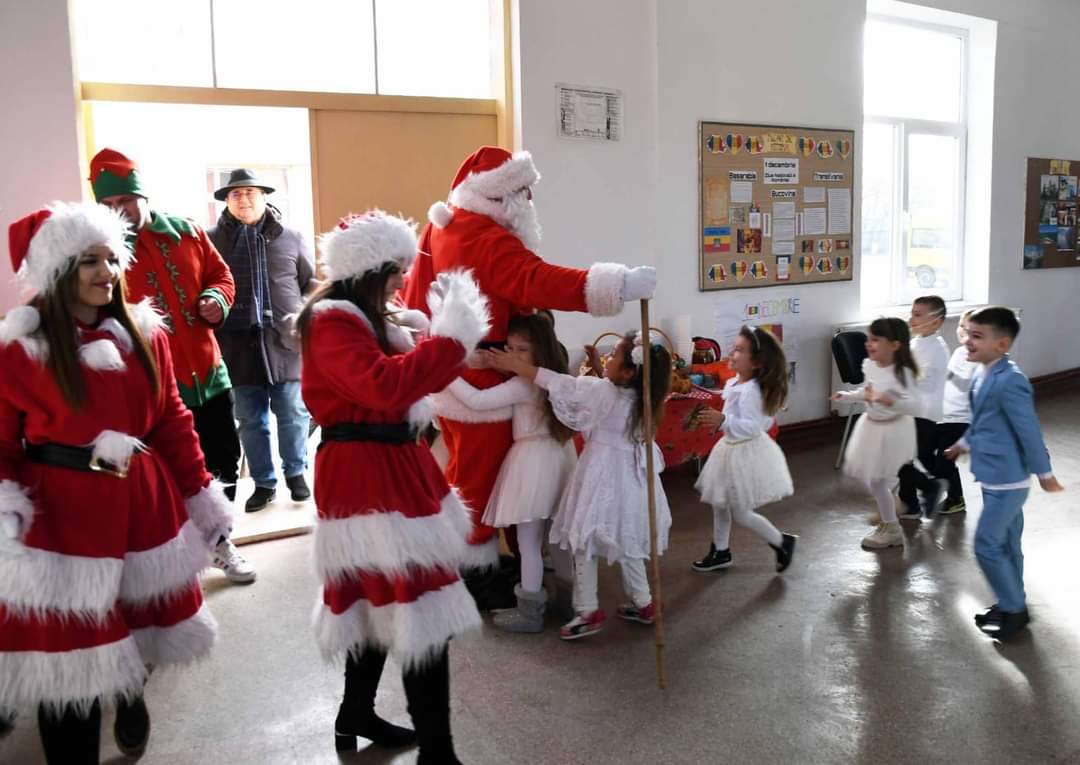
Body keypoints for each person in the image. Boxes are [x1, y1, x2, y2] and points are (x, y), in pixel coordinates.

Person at [0, 202, 233, 763]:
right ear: (58, 270)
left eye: (111, 258)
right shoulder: (19, 350)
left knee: (138, 624)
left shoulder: (147, 335)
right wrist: (7, 509)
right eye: (90, 261)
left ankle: (130, 694)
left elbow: (172, 419)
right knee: (67, 670)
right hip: (61, 522)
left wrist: (201, 494)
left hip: (142, 507)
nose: (107, 272)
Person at [402, 146, 658, 606]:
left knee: (465, 475)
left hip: (458, 371)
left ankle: (494, 562)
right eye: (523, 191)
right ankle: (475, 574)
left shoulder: (446, 224)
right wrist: (617, 285)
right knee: (478, 483)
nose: (529, 201)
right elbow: (535, 279)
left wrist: (434, 368)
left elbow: (416, 292)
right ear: (500, 194)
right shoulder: (483, 237)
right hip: (481, 377)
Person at [299, 211, 490, 763]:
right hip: (368, 476)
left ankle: (357, 712)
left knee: (378, 597)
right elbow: (386, 387)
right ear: (368, 270)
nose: (402, 280)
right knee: (418, 604)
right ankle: (438, 753)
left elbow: (408, 381)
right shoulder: (332, 323)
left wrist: (432, 339)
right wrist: (448, 340)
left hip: (387, 466)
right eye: (396, 270)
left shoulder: (366, 320)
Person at [89, 148, 254, 584]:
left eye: (125, 200)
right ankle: (182, 553)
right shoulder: (102, 254)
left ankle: (221, 541)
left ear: (142, 196)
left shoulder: (187, 232)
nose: (118, 211)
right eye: (107, 204)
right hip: (156, 388)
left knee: (224, 458)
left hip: (211, 374)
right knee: (170, 473)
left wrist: (216, 299)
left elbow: (222, 277)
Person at [488, 331, 672, 641]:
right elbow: (611, 397)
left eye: (614, 355)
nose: (609, 357)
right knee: (627, 540)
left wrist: (518, 366)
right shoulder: (646, 399)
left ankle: (587, 611)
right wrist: (601, 368)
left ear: (629, 372)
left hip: (602, 477)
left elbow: (563, 384)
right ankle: (644, 602)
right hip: (633, 482)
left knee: (584, 540)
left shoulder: (604, 392)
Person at [445, 312, 577, 632]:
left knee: (529, 541)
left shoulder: (522, 384)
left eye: (522, 350)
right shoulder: (554, 376)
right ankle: (569, 601)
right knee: (557, 538)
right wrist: (502, 363)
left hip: (533, 462)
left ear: (540, 350)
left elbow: (477, 401)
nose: (512, 356)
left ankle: (530, 611)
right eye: (510, 348)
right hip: (560, 458)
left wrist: (447, 374)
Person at [944, 306, 1064, 640]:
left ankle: (1014, 610)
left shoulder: (1011, 380)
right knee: (1008, 542)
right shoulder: (984, 372)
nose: (967, 341)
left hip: (1010, 480)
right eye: (968, 333)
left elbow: (1029, 431)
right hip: (992, 474)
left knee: (985, 544)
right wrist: (962, 444)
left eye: (977, 336)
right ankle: (1012, 599)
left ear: (1002, 344)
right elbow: (983, 421)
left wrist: (1044, 473)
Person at [209, 169, 315, 512]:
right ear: (226, 201)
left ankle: (296, 474)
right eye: (236, 194)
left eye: (251, 192)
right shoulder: (211, 241)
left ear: (264, 197)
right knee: (250, 420)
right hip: (236, 346)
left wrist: (303, 317)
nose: (244, 199)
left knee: (293, 413)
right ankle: (263, 483)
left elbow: (309, 284)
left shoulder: (291, 237)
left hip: (284, 343)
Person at [690, 326, 797, 574]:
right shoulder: (736, 383)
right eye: (734, 347)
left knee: (740, 513)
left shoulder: (751, 391)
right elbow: (732, 417)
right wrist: (721, 421)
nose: (732, 353)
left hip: (744, 453)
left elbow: (755, 426)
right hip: (729, 449)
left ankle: (782, 541)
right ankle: (720, 550)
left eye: (739, 350)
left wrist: (723, 421)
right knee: (719, 502)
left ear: (756, 362)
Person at [832, 318, 920, 550]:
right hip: (871, 426)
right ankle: (890, 508)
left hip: (892, 430)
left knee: (877, 481)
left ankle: (892, 528)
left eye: (875, 340)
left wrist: (889, 400)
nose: (868, 344)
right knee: (872, 478)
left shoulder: (902, 373)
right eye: (869, 339)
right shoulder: (871, 365)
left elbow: (912, 403)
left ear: (894, 345)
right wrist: (848, 396)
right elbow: (867, 391)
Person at [898, 295, 951, 518]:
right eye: (911, 313)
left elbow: (926, 384)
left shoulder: (937, 349)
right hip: (912, 409)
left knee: (909, 458)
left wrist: (898, 377)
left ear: (936, 321)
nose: (911, 319)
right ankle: (911, 502)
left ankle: (925, 492)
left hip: (926, 413)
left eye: (918, 315)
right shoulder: (916, 343)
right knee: (905, 457)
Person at [935, 309, 980, 514]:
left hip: (963, 419)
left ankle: (955, 498)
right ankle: (953, 496)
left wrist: (945, 372)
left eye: (971, 330)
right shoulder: (959, 352)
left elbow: (965, 387)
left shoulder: (980, 358)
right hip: (945, 414)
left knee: (943, 461)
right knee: (931, 456)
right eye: (962, 326)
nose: (963, 332)